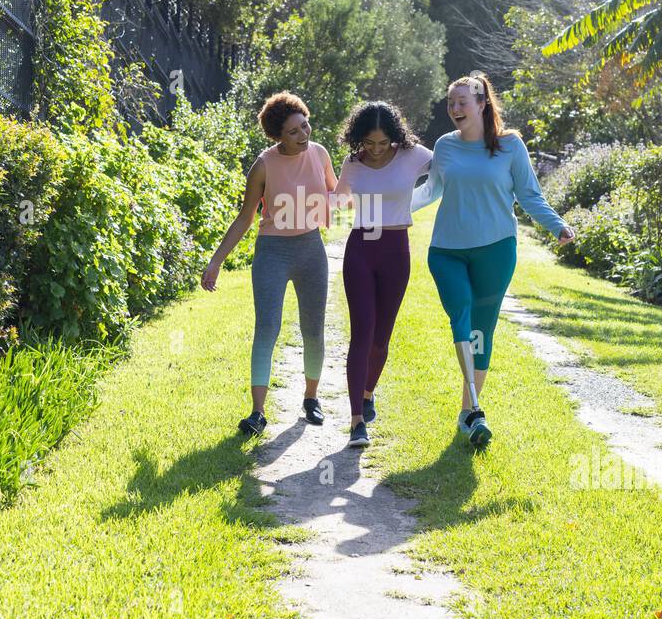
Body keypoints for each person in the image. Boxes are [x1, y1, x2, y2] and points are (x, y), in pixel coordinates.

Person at [412, 74, 575, 447]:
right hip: (447, 251)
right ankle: (474, 411)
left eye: (461, 102)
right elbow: (430, 190)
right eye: (450, 103)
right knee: (461, 310)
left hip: (496, 250)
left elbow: (529, 195)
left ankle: (469, 410)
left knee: (482, 328)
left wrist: (557, 225)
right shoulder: (445, 146)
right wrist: (387, 209)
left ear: (483, 104)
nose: (454, 109)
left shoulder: (510, 146)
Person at [202, 92, 335, 436]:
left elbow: (339, 195)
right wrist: (216, 262)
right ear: (278, 136)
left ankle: (310, 399)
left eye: (305, 125)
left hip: (311, 250)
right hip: (272, 252)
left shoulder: (320, 153)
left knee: (313, 330)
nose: (304, 134)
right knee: (267, 330)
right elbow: (246, 217)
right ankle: (258, 413)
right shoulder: (263, 165)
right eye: (293, 132)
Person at [333, 102, 432, 448]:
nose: (375, 149)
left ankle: (368, 392)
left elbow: (449, 169)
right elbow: (337, 199)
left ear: (395, 136)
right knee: (362, 333)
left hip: (396, 249)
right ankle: (357, 420)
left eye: (382, 142)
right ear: (358, 138)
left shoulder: (414, 155)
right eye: (368, 142)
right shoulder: (353, 163)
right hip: (361, 246)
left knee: (381, 338)